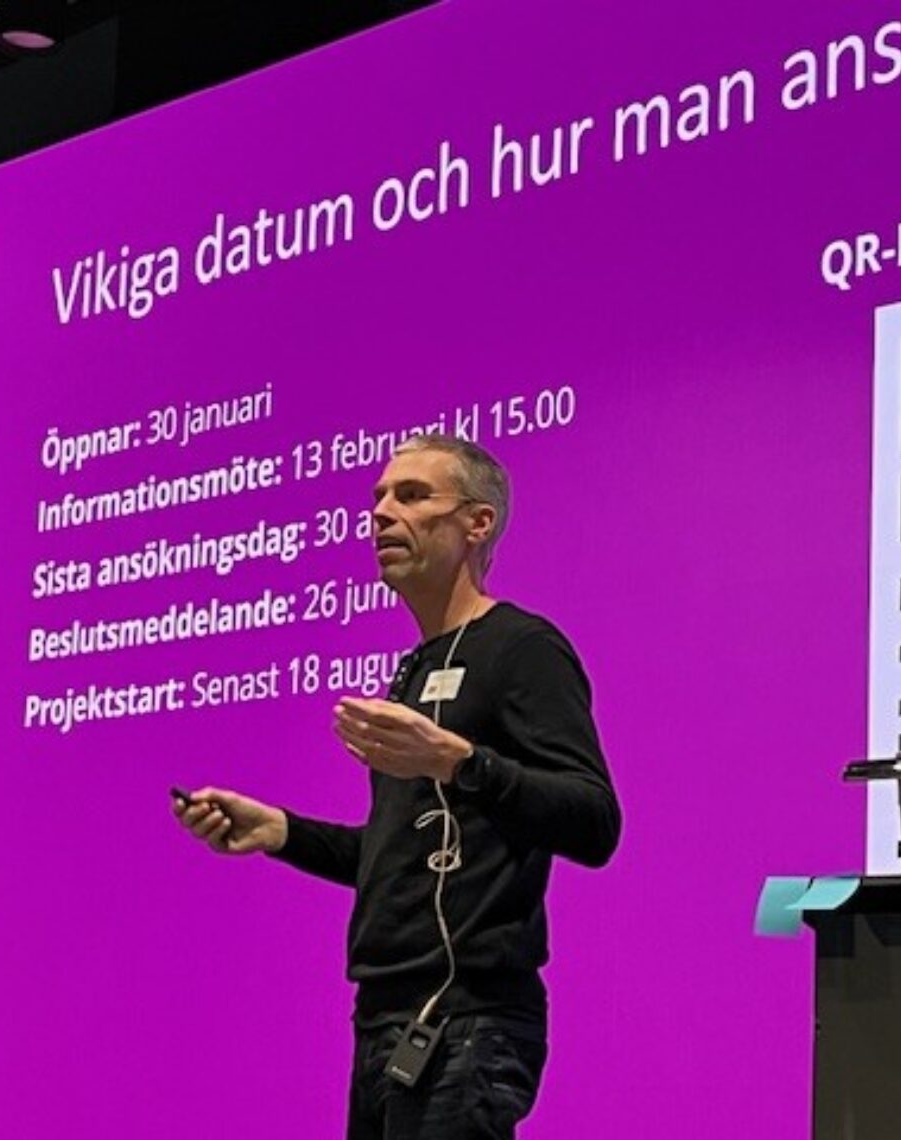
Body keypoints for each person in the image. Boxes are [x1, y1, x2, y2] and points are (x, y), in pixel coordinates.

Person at [173, 433, 621, 1139]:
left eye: (411, 496)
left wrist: (461, 762)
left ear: (478, 523)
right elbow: (403, 854)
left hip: (469, 1021)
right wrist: (281, 832)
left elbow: (595, 823)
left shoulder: (522, 647)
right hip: (386, 1019)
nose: (382, 512)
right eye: (378, 497)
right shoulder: (413, 670)